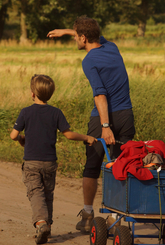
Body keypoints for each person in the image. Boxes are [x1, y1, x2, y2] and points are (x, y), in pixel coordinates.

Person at [47, 17, 135, 233]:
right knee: (120, 165)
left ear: (83, 38)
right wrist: (67, 31)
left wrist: (105, 126)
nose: (75, 39)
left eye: (76, 36)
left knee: (92, 166)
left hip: (103, 117)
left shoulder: (89, 60)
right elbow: (92, 35)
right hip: (126, 115)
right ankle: (116, 220)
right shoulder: (111, 47)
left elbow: (100, 94)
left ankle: (88, 215)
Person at [10, 74, 97, 244]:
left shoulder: (26, 112)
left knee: (36, 193)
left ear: (32, 94)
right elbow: (69, 135)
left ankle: (41, 223)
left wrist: (21, 139)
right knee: (48, 194)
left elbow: (13, 135)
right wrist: (87, 137)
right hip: (50, 163)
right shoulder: (56, 113)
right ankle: (47, 226)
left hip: (32, 163)